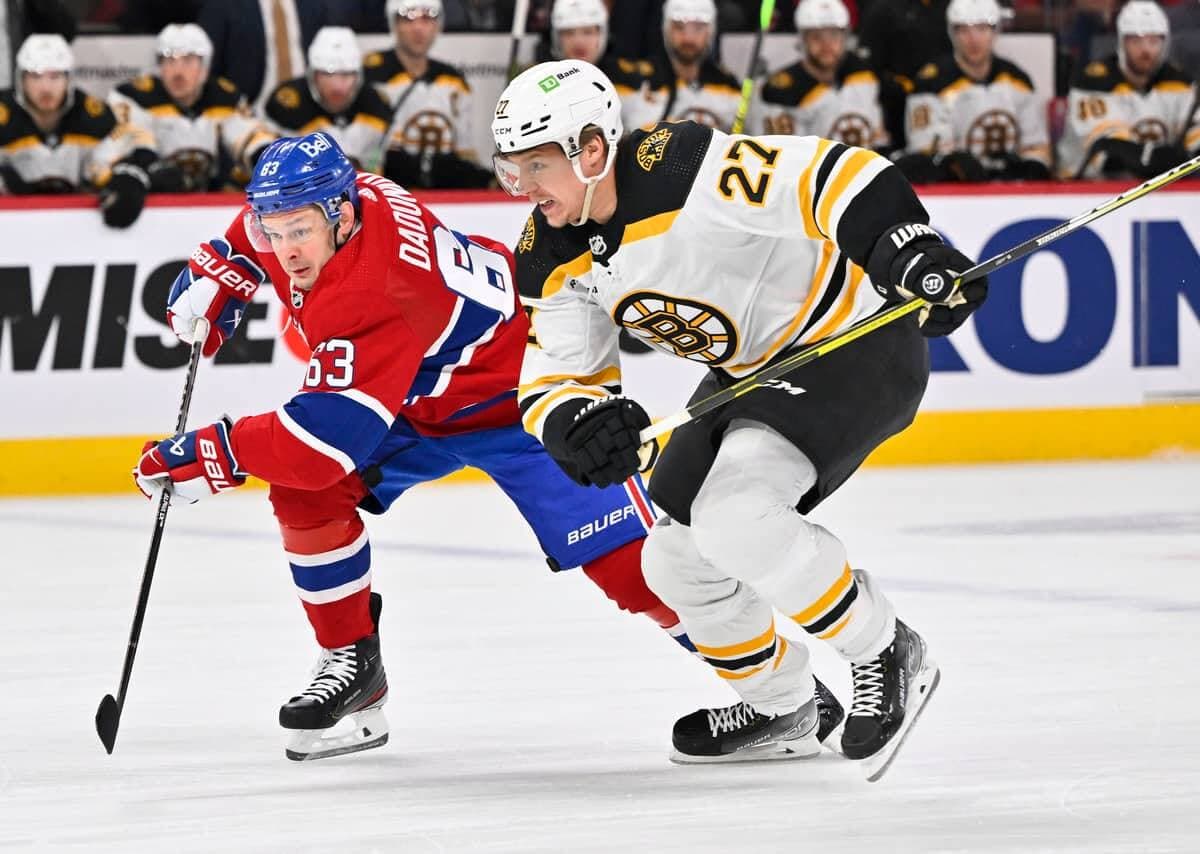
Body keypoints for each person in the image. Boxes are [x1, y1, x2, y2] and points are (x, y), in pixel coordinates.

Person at [131, 131, 845, 761]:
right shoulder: (354, 197)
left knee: (637, 572)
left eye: (299, 232)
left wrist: (214, 452)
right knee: (306, 493)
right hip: (422, 394)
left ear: (341, 215)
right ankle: (353, 665)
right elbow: (276, 217)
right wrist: (228, 260)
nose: (285, 249)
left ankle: (786, 695)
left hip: (526, 399)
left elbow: (321, 443)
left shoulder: (378, 290)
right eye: (274, 230)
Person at [493, 59, 988, 774]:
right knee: (673, 562)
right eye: (512, 168)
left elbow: (836, 175)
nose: (522, 187)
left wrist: (904, 248)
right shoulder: (548, 250)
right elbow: (556, 377)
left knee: (736, 519)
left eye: (536, 166)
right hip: (749, 376)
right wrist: (577, 425)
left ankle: (885, 648)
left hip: (852, 342)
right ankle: (786, 707)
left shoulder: (679, 168)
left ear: (592, 150)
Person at [0, 34, 153, 228]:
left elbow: (119, 161)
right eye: (35, 76)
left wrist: (127, 180)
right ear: (20, 79)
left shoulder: (93, 116)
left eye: (55, 76)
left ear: (69, 79)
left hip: (76, 226)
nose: (45, 87)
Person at [896, 0, 1051, 183]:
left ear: (995, 31)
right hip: (956, 189)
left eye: (982, 29)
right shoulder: (930, 84)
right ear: (952, 33)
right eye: (963, 30)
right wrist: (952, 164)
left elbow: (1036, 146)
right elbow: (925, 151)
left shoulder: (1018, 80)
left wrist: (1030, 166)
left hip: (1010, 188)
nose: (973, 39)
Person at [108, 24, 274, 192]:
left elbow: (252, 137)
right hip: (153, 200)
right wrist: (150, 170)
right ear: (159, 67)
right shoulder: (135, 97)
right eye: (169, 60)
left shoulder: (224, 97)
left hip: (204, 198)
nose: (177, 72)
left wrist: (271, 165)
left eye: (188, 60)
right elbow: (135, 146)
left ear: (204, 68)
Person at [1058, 0, 1200, 179]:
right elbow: (1109, 153)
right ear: (1121, 42)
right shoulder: (1093, 82)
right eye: (1136, 41)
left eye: (1154, 41)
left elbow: (1196, 137)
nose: (1146, 50)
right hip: (1085, 187)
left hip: (1158, 187)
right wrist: (1160, 158)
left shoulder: (1181, 83)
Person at [363, 0, 493, 188]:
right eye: (408, 18)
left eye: (427, 17)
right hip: (387, 187)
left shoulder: (454, 80)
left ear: (438, 24)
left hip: (443, 189)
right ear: (394, 23)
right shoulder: (372, 76)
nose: (418, 28)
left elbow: (464, 151)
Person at [754, 0, 889, 151]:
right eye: (816, 36)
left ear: (845, 37)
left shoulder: (863, 78)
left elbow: (879, 137)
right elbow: (782, 155)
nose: (827, 45)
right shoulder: (781, 90)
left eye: (834, 35)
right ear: (803, 40)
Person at [264, 27, 393, 172]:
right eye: (327, 74)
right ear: (312, 74)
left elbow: (389, 159)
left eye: (346, 74)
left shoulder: (376, 104)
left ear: (358, 76)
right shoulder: (288, 104)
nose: (337, 86)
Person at [621, 0, 742, 132]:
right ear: (666, 29)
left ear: (710, 31)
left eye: (698, 28)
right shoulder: (635, 83)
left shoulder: (729, 88)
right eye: (679, 27)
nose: (688, 38)